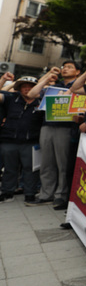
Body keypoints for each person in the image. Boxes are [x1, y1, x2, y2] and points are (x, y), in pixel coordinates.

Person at [26, 61, 80, 210]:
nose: (65, 69)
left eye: (70, 67)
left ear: (78, 72)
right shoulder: (54, 87)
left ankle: (61, 195)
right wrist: (49, 74)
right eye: (64, 67)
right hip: (47, 125)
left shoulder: (78, 87)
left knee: (62, 163)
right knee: (46, 162)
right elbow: (31, 94)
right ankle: (45, 194)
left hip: (66, 127)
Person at [0, 75, 43, 203]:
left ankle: (30, 193)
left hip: (31, 142)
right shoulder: (11, 99)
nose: (27, 89)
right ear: (18, 88)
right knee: (9, 168)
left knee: (31, 169)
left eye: (31, 86)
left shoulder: (41, 102)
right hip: (9, 141)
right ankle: (7, 192)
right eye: (24, 86)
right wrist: (3, 79)